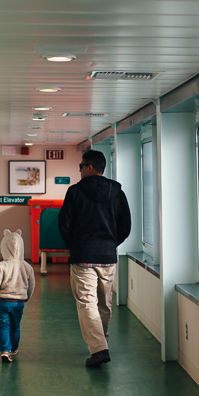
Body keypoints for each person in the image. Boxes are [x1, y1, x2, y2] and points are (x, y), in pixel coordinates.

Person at [58, 150, 131, 368]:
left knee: (87, 302)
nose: (79, 170)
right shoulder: (117, 192)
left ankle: (99, 348)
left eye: (80, 166)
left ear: (89, 168)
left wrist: (74, 246)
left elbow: (64, 224)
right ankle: (102, 342)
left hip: (82, 257)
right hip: (108, 257)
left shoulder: (74, 192)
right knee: (104, 304)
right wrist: (111, 244)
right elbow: (125, 226)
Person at [0, 229, 35, 363]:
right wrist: (27, 296)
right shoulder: (27, 267)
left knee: (3, 325)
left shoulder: (1, 266)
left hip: (3, 303)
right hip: (19, 303)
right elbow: (31, 285)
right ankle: (14, 349)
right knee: (15, 326)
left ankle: (5, 350)